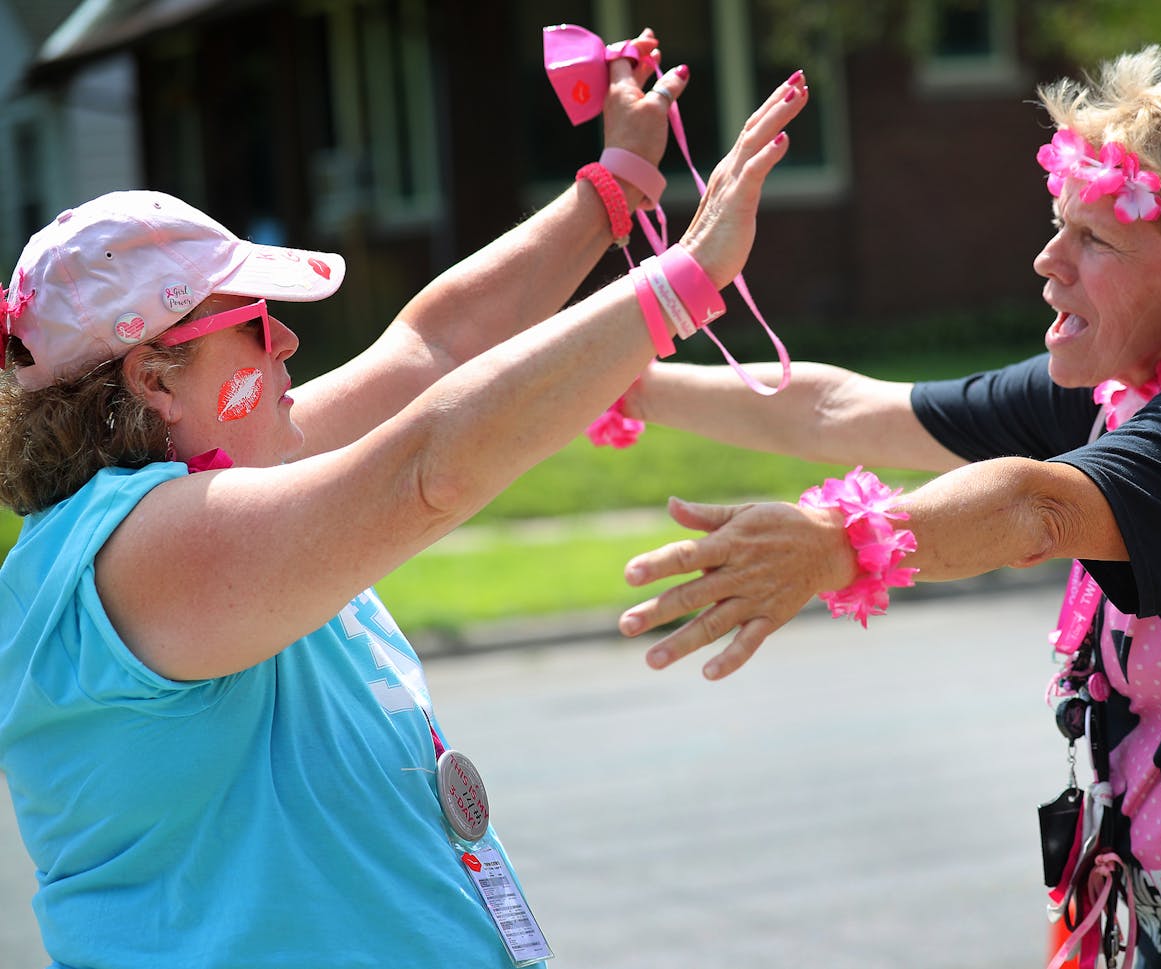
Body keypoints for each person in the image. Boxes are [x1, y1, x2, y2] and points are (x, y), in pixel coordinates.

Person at [0, 26, 811, 968]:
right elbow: (429, 471)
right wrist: (683, 281)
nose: (288, 347)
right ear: (153, 379)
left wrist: (616, 185)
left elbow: (436, 346)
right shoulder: (133, 556)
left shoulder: (229, 481)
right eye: (258, 325)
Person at [614, 47, 1161, 966]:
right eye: (1057, 225)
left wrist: (838, 541)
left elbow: (1035, 506)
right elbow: (841, 406)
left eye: (1096, 240)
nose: (1048, 261)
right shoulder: (1126, 383)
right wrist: (617, 377)